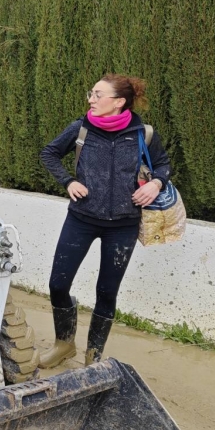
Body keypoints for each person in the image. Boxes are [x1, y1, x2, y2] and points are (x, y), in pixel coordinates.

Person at [38, 74, 172, 366]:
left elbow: (161, 164)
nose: (91, 99)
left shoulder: (143, 133)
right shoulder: (81, 128)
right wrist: (67, 181)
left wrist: (156, 183)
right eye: (92, 93)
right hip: (81, 219)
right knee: (58, 284)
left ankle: (92, 356)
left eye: (98, 94)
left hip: (123, 226)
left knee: (106, 292)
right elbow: (49, 153)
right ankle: (64, 344)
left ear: (119, 102)